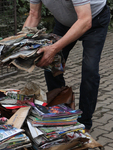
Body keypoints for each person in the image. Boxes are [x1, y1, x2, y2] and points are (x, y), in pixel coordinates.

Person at [23, 0, 110, 132]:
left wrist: (53, 48)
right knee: (50, 64)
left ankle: (84, 122)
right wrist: (20, 46)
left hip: (94, 20)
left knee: (90, 69)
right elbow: (34, 14)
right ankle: (60, 112)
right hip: (64, 24)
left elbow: (85, 20)